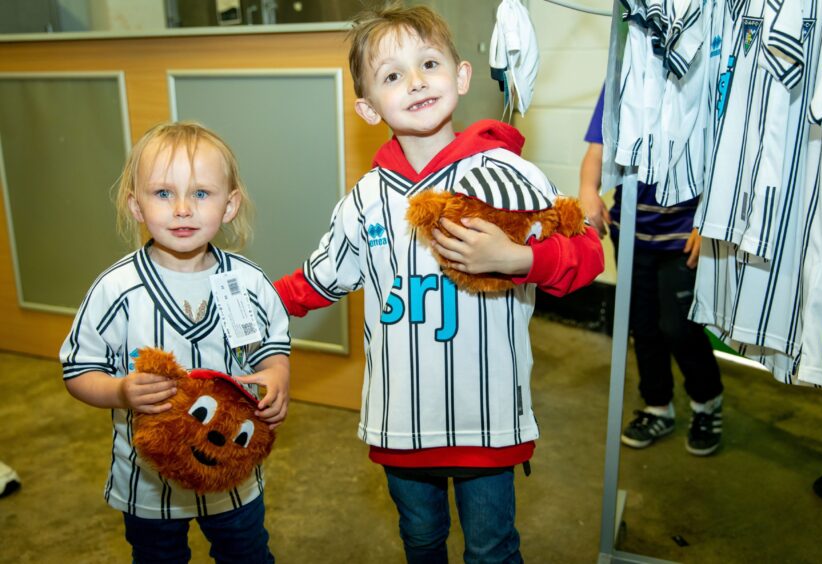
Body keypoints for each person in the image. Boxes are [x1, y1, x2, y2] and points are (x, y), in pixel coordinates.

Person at [273, 4, 604, 562]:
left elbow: (587, 254)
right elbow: (315, 282)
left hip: (488, 421)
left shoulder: (508, 174)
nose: (417, 81)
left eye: (429, 63)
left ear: (462, 75)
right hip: (399, 423)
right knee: (421, 541)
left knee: (491, 549)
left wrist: (518, 257)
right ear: (368, 107)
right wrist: (242, 301)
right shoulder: (363, 201)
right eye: (392, 75)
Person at [59, 122, 290, 563]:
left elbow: (271, 347)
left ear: (229, 204)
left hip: (230, 469)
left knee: (247, 552)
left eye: (202, 193)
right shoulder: (116, 290)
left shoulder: (248, 282)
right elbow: (77, 370)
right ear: (135, 205)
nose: (183, 209)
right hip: (148, 479)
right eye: (163, 193)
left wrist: (278, 375)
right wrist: (120, 391)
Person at [579, 86, 724, 456]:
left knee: (679, 325)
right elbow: (597, 146)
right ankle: (658, 405)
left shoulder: (699, 78)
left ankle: (707, 402)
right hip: (630, 231)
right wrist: (587, 190)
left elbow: (723, 154)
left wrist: (708, 220)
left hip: (682, 234)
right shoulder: (623, 81)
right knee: (642, 326)